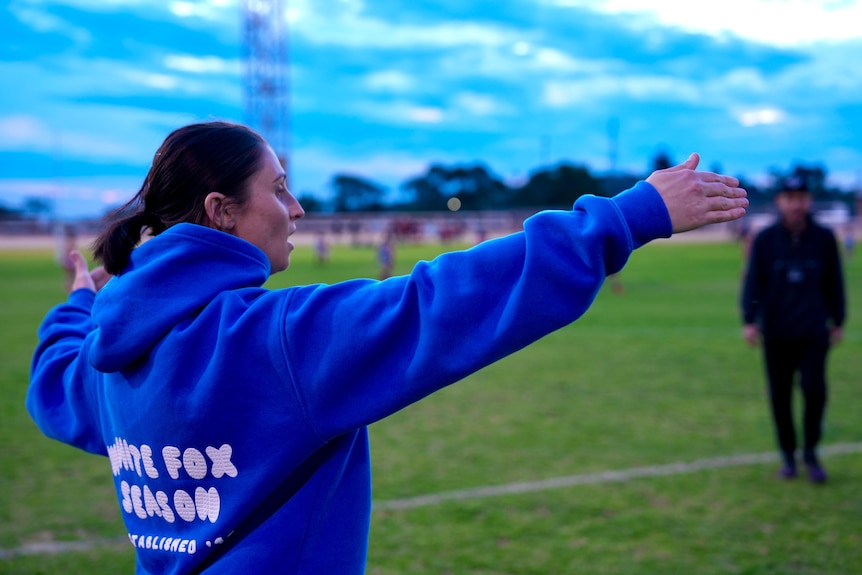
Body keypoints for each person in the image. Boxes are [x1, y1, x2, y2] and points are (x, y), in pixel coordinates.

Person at [27, 121, 747, 575]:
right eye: (278, 189)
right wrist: (629, 215)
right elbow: (443, 301)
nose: (298, 208)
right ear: (221, 211)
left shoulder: (110, 359)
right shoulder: (273, 341)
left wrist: (79, 303)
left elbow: (56, 383)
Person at [740, 176, 846, 484]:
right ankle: (788, 456)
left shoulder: (824, 238)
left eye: (801, 197)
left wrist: (837, 320)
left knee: (815, 391)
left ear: (808, 201)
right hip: (776, 330)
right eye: (789, 197)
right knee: (780, 396)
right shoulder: (766, 239)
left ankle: (811, 453)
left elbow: (834, 282)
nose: (796, 204)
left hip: (814, 330)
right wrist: (750, 319)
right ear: (780, 201)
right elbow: (753, 282)